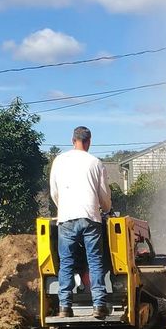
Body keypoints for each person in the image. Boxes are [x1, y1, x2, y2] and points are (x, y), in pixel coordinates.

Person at [49, 126, 112, 318]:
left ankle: (64, 307)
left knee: (66, 262)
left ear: (72, 140)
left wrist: (63, 208)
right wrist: (106, 209)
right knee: (95, 261)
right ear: (89, 141)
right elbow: (104, 195)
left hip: (66, 218)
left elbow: (54, 192)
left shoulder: (59, 161)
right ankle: (99, 305)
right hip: (90, 217)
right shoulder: (95, 163)